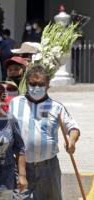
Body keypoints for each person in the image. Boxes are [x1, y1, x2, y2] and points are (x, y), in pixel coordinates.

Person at [10, 65, 80, 200]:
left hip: (48, 167)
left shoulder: (56, 107)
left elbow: (73, 128)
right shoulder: (15, 104)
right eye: (32, 83)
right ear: (27, 84)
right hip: (20, 167)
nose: (36, 87)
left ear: (48, 85)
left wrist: (72, 140)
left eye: (41, 84)